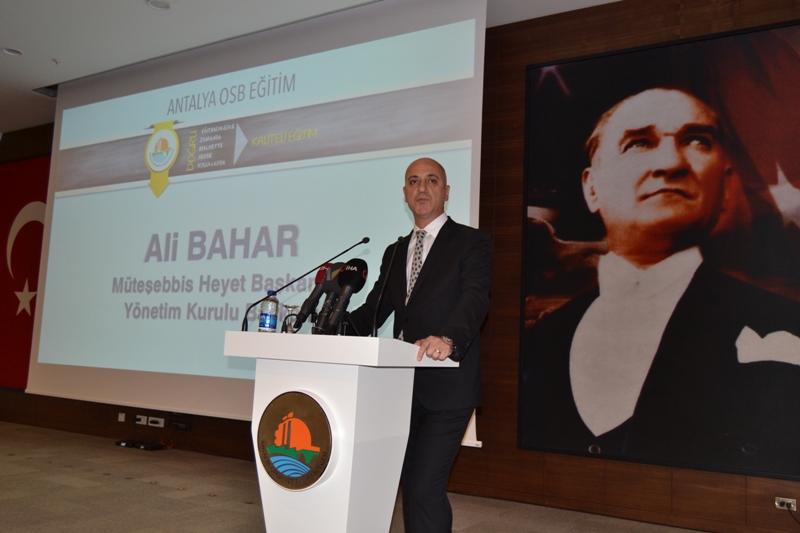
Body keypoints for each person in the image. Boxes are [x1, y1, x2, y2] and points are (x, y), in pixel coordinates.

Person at [519, 88, 800, 475]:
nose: (671, 163)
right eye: (638, 143)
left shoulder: (785, 325)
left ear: (724, 186)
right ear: (592, 187)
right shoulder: (537, 342)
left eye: (697, 141)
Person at [347, 157, 492, 532]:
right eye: (413, 181)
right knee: (412, 488)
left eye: (431, 180)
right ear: (405, 193)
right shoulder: (395, 252)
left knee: (424, 489)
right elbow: (374, 311)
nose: (422, 188)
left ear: (447, 191)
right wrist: (330, 326)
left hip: (448, 387)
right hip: (400, 389)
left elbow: (475, 298)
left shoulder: (471, 241)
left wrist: (449, 338)